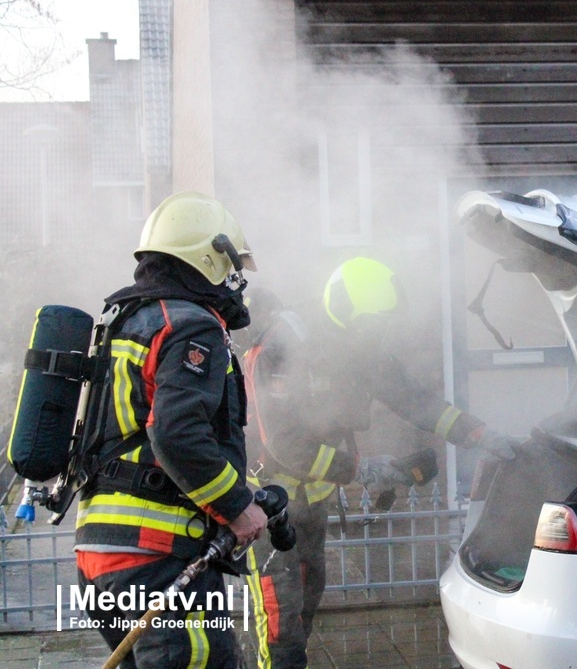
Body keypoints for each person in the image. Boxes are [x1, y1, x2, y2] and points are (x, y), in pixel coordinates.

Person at [242, 256, 516, 669]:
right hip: (267, 507)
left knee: (303, 611)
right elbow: (284, 443)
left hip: (310, 505)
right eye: (375, 323)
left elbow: (416, 401)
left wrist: (478, 434)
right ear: (347, 312)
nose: (381, 332)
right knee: (279, 629)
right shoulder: (284, 346)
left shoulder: (359, 347)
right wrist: (362, 472)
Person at [73, 191, 267, 669]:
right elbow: (177, 435)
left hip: (101, 557)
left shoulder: (128, 321)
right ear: (207, 256)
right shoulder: (191, 326)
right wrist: (238, 508)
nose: (233, 281)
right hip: (158, 556)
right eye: (229, 265)